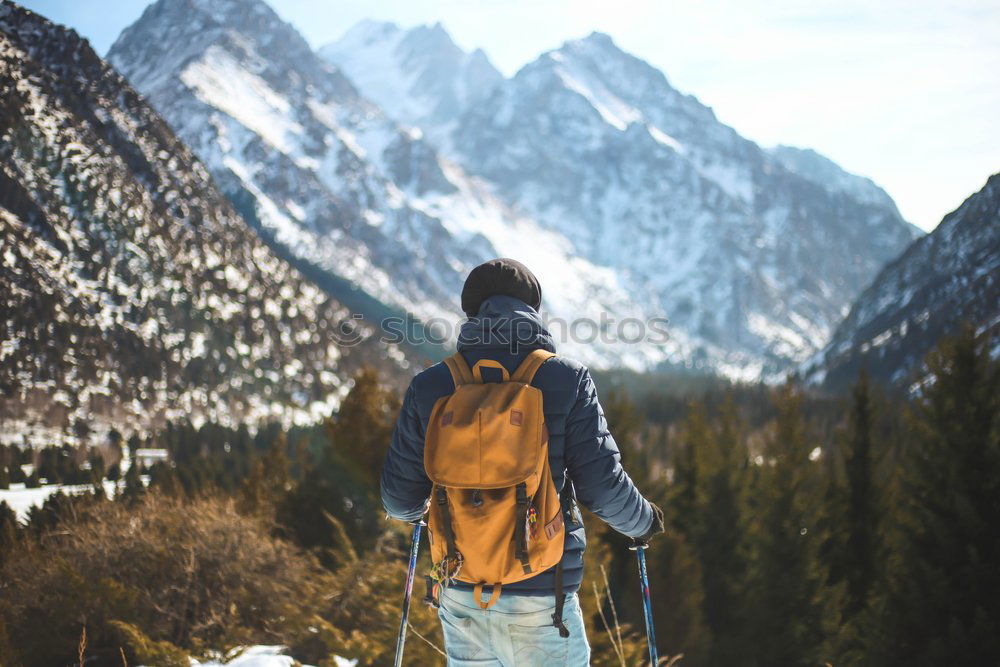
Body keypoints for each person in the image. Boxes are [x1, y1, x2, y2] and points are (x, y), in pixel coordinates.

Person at [381, 258, 664, 666]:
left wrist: (433, 509)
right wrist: (643, 523)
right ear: (532, 310)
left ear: (472, 312)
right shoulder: (566, 379)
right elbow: (602, 486)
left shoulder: (432, 386)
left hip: (461, 589)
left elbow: (398, 500)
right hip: (542, 593)